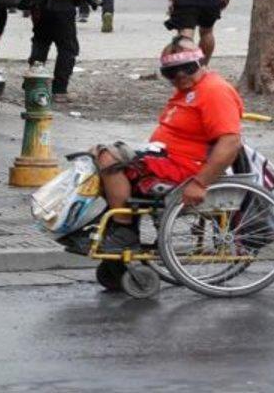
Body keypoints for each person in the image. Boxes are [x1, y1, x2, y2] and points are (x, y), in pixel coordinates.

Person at [93, 37, 244, 252]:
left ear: (200, 63)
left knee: (109, 157)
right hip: (165, 159)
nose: (180, 76)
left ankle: (123, 230)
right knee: (95, 155)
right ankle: (118, 224)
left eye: (187, 69)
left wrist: (200, 183)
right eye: (172, 72)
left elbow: (230, 142)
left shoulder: (214, 91)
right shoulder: (188, 91)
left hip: (185, 167)